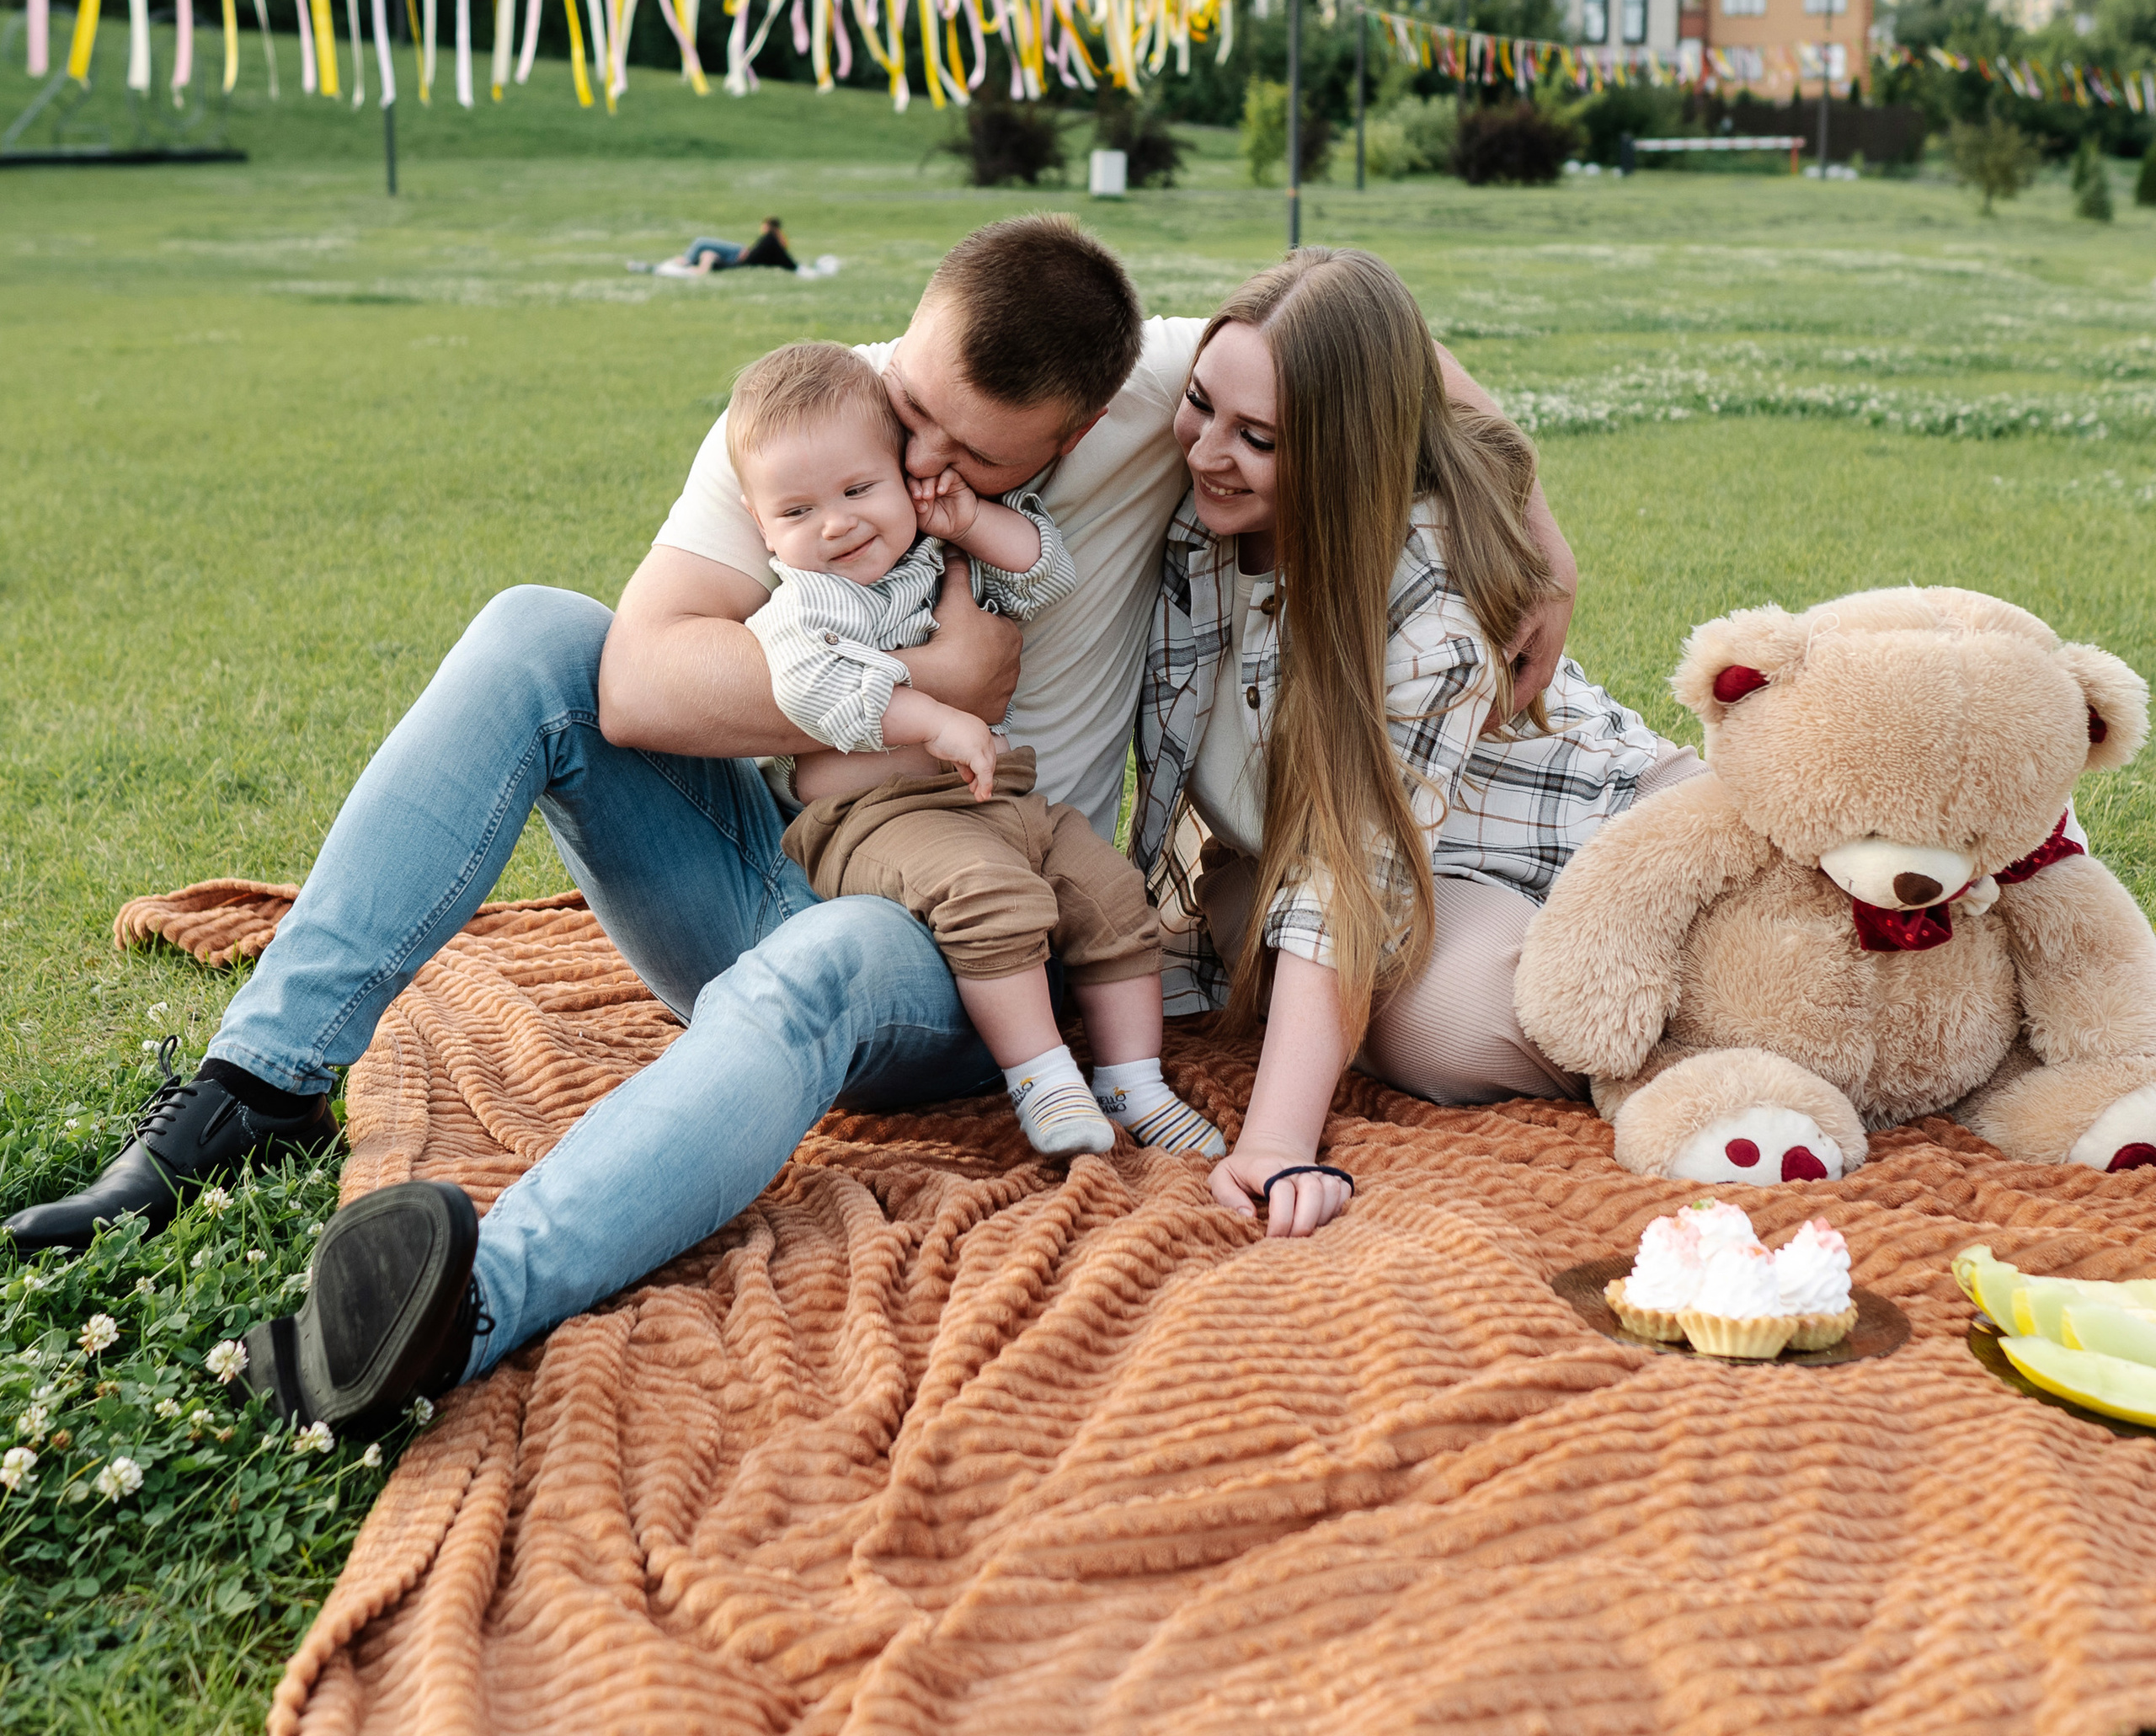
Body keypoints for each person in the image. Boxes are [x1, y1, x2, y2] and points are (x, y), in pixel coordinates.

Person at [3, 216, 1577, 1436]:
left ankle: (466, 1301)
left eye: (971, 461)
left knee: (828, 958)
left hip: (964, 937)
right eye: (914, 415)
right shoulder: (813, 411)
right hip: (762, 865)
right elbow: (636, 681)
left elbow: (1380, 352)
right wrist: (924, 684)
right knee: (533, 631)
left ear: (1087, 428)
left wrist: (1535, 530)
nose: (913, 471)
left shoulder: (1160, 396)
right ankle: (253, 1090)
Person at [1128, 247, 1702, 1240]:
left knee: (1446, 1023)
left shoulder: (1431, 610)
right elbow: (1373, 337)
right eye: (1199, 405)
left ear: (1347, 448)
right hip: (1410, 869)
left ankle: (1712, 1028)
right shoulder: (1201, 516)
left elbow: (1349, 875)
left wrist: (1274, 1141)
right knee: (1245, 923)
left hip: (1594, 835)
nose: (1205, 452)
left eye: (1256, 438)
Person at [730, 339, 1221, 1162]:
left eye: (858, 490)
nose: (837, 523)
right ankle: (1042, 1079)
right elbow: (811, 689)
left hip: (1002, 796)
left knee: (1111, 893)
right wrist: (933, 717)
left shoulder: (935, 560)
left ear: (904, 478)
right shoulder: (805, 604)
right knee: (988, 892)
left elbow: (1044, 575)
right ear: (762, 528)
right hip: (874, 819)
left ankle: (1134, 1083)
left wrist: (970, 523)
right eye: (798, 512)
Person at [632, 217, 822, 279]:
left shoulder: (669, 268)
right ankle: (797, 268)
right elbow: (701, 272)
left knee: (701, 243)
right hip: (736, 258)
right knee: (701, 244)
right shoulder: (671, 270)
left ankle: (683, 259)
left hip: (735, 258)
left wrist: (693, 261)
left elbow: (699, 271)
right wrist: (707, 260)